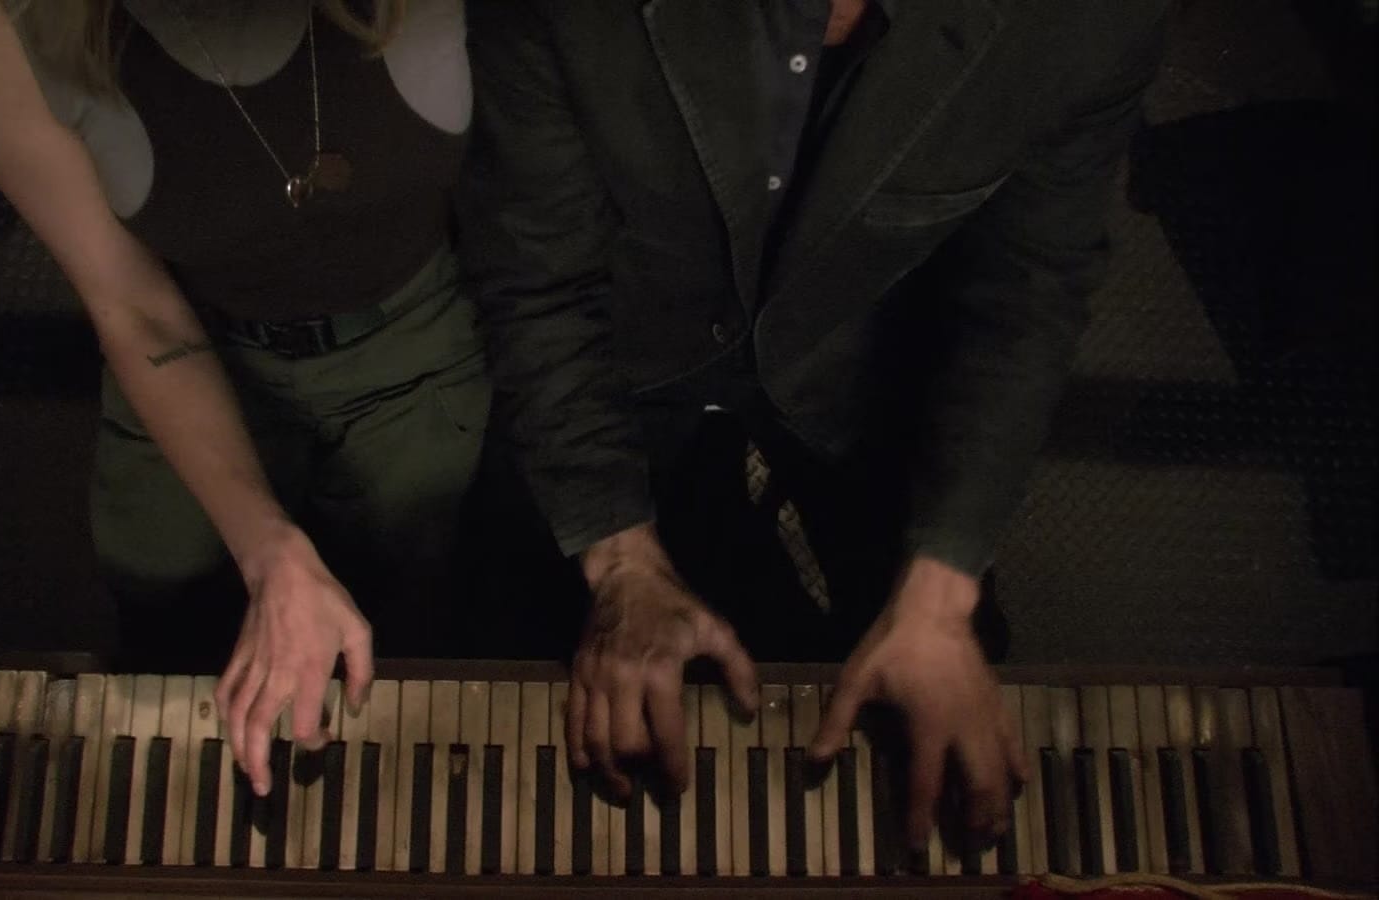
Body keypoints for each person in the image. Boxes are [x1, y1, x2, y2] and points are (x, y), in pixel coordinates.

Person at [460, 0, 1168, 849]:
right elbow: (538, 278)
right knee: (542, 676)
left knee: (942, 710)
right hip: (626, 348)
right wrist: (617, 559)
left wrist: (940, 595)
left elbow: (1026, 298)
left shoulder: (1091, 21)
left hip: (859, 359)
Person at [0, 0, 485, 797]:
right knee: (162, 614)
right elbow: (128, 300)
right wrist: (267, 546)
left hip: (418, 328)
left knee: (414, 610)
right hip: (191, 347)